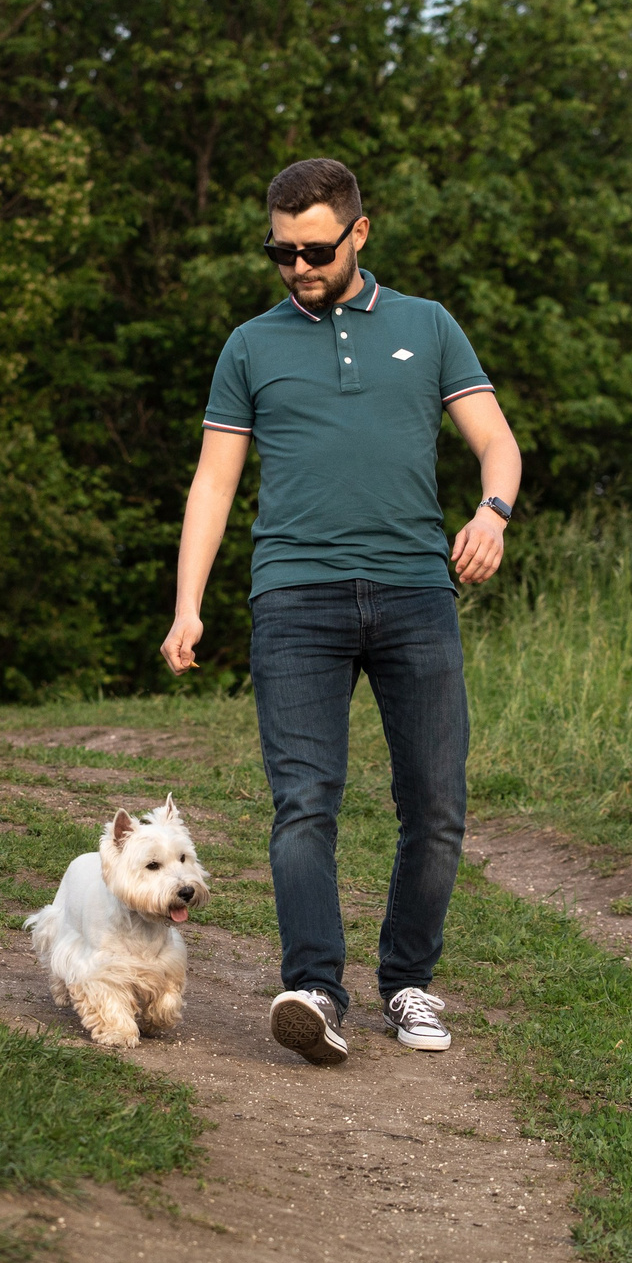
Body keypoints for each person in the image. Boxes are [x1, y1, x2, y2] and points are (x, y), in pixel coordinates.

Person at [159, 158, 519, 1064]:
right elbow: (213, 482)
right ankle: (314, 989)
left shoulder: (428, 327)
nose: (298, 267)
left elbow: (496, 440)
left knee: (435, 804)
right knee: (304, 803)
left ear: (360, 232)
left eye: (315, 249)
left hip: (414, 593)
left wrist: (492, 511)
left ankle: (408, 983)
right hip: (295, 596)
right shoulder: (250, 345)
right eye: (280, 252)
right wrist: (187, 605)